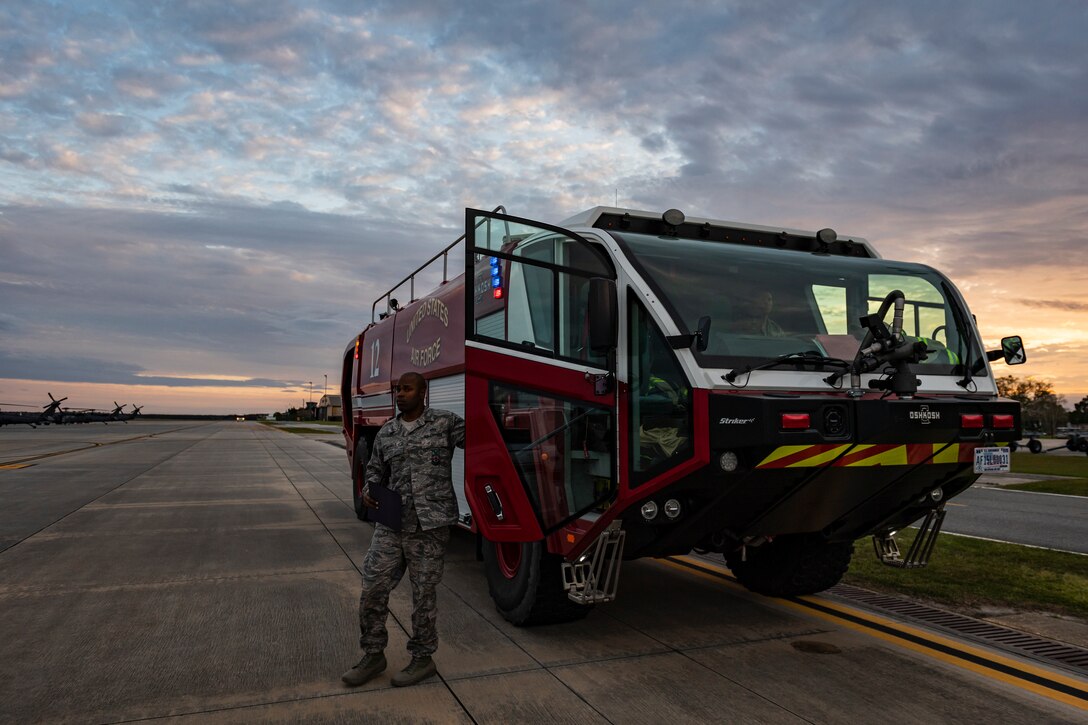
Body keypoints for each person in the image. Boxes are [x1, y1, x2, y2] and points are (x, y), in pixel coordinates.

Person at [341, 371, 465, 688]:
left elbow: (485, 441)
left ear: (424, 392)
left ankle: (423, 659)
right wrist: (369, 489)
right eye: (398, 389)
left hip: (429, 525)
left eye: (408, 389)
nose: (400, 394)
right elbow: (375, 472)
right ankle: (373, 655)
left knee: (423, 596)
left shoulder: (446, 423)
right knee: (373, 587)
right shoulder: (387, 432)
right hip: (393, 523)